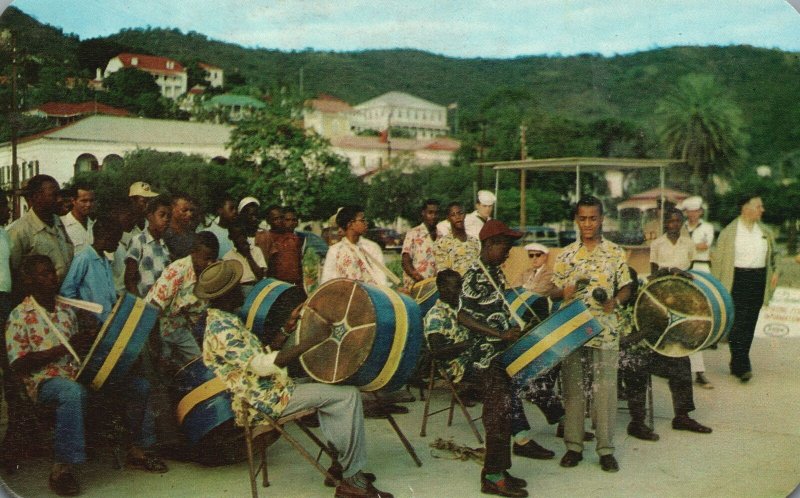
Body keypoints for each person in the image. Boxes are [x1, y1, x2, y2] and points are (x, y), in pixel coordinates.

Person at [197, 260, 393, 498]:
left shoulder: (226, 319)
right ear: (226, 294)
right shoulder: (221, 329)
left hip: (272, 390)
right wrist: (309, 340)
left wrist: (287, 329)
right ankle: (352, 481)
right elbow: (261, 366)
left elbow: (259, 356)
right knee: (348, 396)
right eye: (239, 287)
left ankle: (342, 465)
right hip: (263, 401)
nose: (244, 291)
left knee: (334, 384)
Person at [6, 255, 166, 496]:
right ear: (29, 281)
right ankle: (62, 469)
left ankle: (138, 451)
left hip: (78, 375)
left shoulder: (66, 309)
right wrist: (64, 347)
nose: (52, 278)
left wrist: (91, 340)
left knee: (138, 385)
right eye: (44, 274)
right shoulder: (19, 315)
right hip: (45, 382)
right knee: (72, 392)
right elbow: (18, 364)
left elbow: (78, 349)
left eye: (52, 272)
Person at [460, 220, 546, 497]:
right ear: (489, 244)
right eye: (505, 247)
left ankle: (498, 469)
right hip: (486, 357)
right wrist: (498, 332)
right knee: (497, 416)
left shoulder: (494, 272)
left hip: (500, 353)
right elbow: (463, 316)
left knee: (505, 413)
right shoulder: (474, 275)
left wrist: (513, 328)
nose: (508, 252)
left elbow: (496, 309)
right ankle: (493, 478)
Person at [551, 195, 632, 473]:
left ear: (601, 220)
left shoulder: (615, 253)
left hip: (605, 331)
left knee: (606, 392)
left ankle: (606, 449)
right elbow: (552, 289)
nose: (588, 223)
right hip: (572, 331)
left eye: (593, 218)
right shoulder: (565, 255)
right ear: (576, 220)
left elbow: (626, 287)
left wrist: (616, 302)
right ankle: (573, 446)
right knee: (573, 391)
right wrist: (565, 291)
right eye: (582, 218)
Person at [619, 266, 713, 441]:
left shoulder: (642, 293)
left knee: (681, 361)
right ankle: (637, 423)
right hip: (621, 357)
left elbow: (658, 278)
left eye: (631, 285)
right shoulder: (613, 305)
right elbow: (619, 343)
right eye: (625, 286)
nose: (630, 289)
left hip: (647, 351)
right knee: (635, 366)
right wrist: (647, 330)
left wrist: (675, 274)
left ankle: (682, 416)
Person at [712, 194, 778, 383]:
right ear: (745, 208)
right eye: (759, 206)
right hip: (737, 279)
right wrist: (718, 287)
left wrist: (775, 272)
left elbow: (775, 256)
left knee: (750, 321)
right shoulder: (729, 232)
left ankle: (738, 361)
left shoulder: (765, 231)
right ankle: (742, 364)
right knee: (738, 321)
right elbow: (718, 262)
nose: (762, 210)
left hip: (758, 279)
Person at [146, 231, 218, 369]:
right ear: (193, 253)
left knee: (199, 366)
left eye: (213, 259)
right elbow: (152, 310)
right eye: (206, 259)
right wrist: (156, 348)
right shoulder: (177, 272)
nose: (210, 263)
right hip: (157, 329)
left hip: (179, 328)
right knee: (162, 369)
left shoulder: (208, 275)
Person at [9, 174, 74, 282]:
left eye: (60, 195)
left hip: (65, 295)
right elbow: (13, 274)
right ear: (36, 197)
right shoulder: (19, 231)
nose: (59, 200)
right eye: (54, 195)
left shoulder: (58, 222)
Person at [59, 216, 123, 323]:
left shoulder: (105, 260)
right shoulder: (84, 258)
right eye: (116, 241)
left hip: (105, 321)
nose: (117, 245)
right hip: (90, 323)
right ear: (105, 237)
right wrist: (81, 313)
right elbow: (66, 292)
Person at [681, 195, 716, 387]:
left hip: (701, 273)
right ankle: (687, 369)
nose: (692, 214)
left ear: (700, 212)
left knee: (698, 320)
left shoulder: (707, 228)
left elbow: (705, 246)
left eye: (695, 211)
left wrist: (685, 247)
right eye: (689, 211)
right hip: (684, 271)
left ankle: (699, 371)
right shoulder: (680, 227)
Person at [320, 205, 387, 286]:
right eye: (362, 220)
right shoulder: (335, 250)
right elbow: (326, 281)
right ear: (350, 224)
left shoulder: (372, 248)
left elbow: (381, 278)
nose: (366, 223)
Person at [124, 194, 172, 297]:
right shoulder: (139, 241)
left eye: (169, 216)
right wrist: (139, 305)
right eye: (162, 215)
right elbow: (129, 280)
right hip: (143, 303)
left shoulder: (164, 245)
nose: (166, 220)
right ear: (150, 216)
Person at [433, 202, 480, 276]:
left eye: (460, 213)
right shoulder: (442, 244)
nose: (457, 217)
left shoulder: (475, 241)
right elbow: (442, 272)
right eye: (453, 215)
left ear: (464, 215)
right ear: (448, 218)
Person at [401, 199, 439, 289]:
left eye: (436, 213)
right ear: (423, 213)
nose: (433, 216)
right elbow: (405, 261)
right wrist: (420, 280)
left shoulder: (442, 235)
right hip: (416, 286)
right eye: (430, 213)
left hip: (435, 289)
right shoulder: (413, 233)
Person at [223, 219, 267, 295]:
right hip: (240, 291)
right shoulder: (227, 257)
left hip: (257, 287)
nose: (242, 238)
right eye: (237, 236)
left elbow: (260, 275)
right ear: (230, 237)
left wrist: (248, 254)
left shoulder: (256, 250)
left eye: (243, 234)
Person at [266, 205, 304, 288]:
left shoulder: (293, 238)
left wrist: (300, 284)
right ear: (268, 221)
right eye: (275, 219)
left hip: (293, 284)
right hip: (275, 285)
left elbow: (298, 264)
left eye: (281, 218)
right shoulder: (267, 237)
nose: (279, 221)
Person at [60, 184, 95, 254]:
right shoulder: (61, 224)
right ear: (73, 201)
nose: (88, 204)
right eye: (84, 201)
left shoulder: (96, 226)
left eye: (91, 201)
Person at [163, 193, 197, 260]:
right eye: (184, 210)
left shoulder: (193, 236)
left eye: (191, 210)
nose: (189, 214)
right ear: (172, 209)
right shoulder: (164, 235)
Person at [204, 195, 237, 259]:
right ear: (220, 210)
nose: (235, 211)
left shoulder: (239, 233)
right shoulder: (208, 233)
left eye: (236, 209)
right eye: (231, 208)